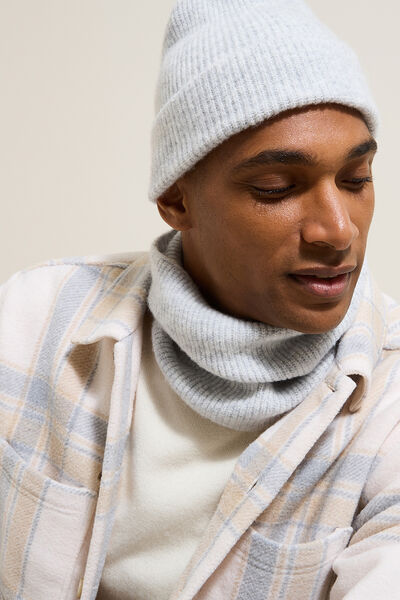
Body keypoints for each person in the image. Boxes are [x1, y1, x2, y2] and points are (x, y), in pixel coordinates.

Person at [0, 0, 399, 599]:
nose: (338, 230)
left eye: (356, 179)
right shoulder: (32, 322)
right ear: (176, 200)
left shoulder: (389, 398)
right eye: (276, 187)